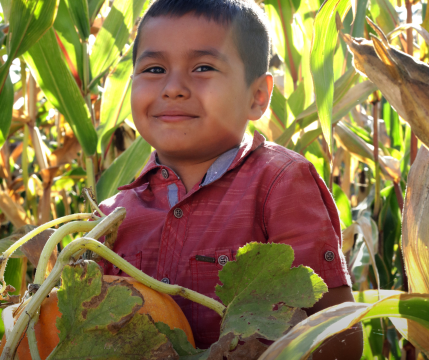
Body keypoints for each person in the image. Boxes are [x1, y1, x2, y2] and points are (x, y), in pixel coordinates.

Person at [97, 0, 363, 358]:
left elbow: (340, 338)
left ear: (258, 96)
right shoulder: (112, 216)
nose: (173, 87)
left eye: (203, 67)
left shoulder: (281, 185)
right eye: (155, 68)